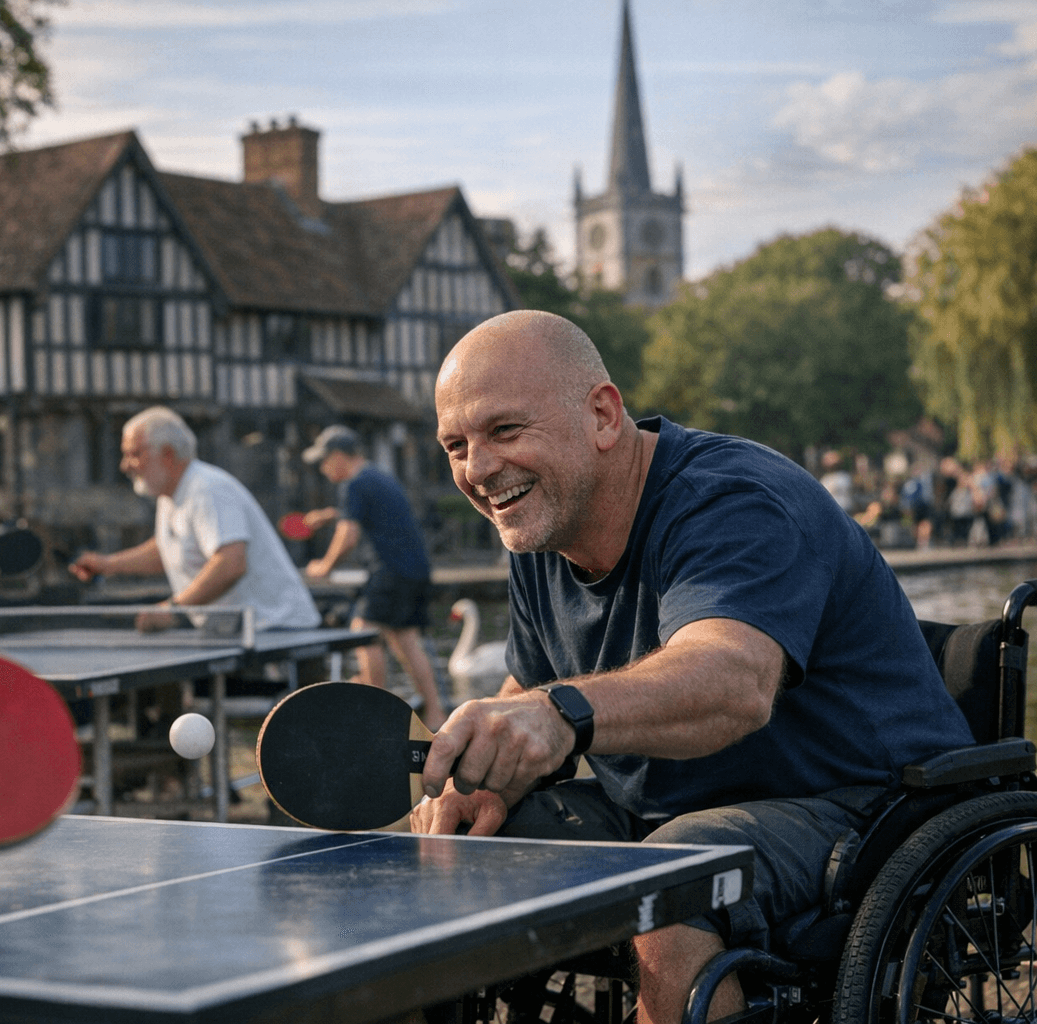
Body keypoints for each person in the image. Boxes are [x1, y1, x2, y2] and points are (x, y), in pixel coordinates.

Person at [415, 310, 972, 1024]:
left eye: (504, 431)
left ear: (603, 416)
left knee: (671, 879)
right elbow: (530, 683)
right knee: (455, 852)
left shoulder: (731, 499)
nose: (477, 468)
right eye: (455, 445)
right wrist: (485, 773)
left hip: (866, 804)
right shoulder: (539, 528)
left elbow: (732, 683)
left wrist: (562, 714)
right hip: (671, 808)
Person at [69, 406, 319, 632]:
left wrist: (172, 609)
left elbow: (231, 562)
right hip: (246, 633)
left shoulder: (207, 488)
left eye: (134, 454)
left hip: (278, 631)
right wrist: (107, 564)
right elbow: (167, 549)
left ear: (167, 454)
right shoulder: (172, 494)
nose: (125, 466)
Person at [301, 425, 446, 730]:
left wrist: (324, 566)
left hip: (390, 570)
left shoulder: (353, 484)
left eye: (325, 461)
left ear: (339, 456)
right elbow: (364, 513)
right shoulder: (376, 476)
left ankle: (374, 705)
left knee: (362, 629)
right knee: (405, 639)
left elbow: (349, 534)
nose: (324, 468)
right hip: (415, 569)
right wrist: (328, 515)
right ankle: (435, 712)